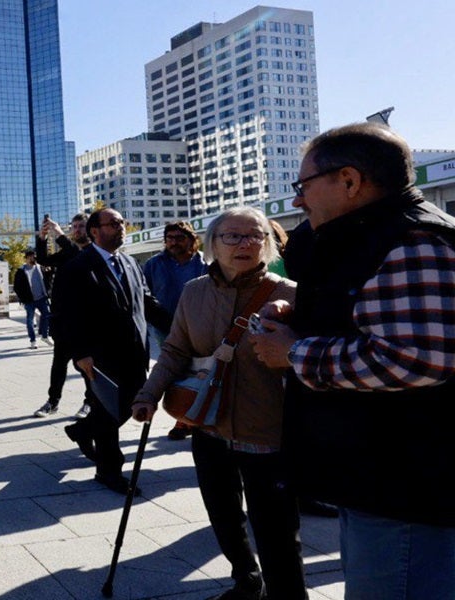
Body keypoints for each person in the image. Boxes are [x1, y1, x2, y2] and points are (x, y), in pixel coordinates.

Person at [251, 123, 455, 599]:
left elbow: (416, 360)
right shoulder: (371, 235)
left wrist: (293, 352)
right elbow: (366, 314)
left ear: (349, 180)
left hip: (406, 489)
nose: (298, 201)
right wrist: (301, 313)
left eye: (303, 186)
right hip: (374, 476)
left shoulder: (411, 241)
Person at [132, 207, 304, 600]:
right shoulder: (194, 292)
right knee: (224, 517)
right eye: (232, 236)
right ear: (211, 244)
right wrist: (148, 395)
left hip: (268, 432)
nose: (245, 244)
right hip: (207, 425)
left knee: (277, 534)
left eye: (255, 236)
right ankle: (246, 580)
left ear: (269, 244)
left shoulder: (291, 294)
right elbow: (175, 350)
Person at [58, 208, 170, 495]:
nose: (121, 228)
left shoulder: (130, 263)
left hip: (134, 351)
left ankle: (82, 430)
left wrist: (177, 326)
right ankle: (109, 471)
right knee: (108, 412)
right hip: (98, 356)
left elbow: (145, 302)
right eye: (113, 224)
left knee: (129, 403)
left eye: (122, 223)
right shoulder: (78, 266)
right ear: (95, 231)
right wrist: (80, 353)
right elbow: (67, 315)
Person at [141, 221, 208, 441]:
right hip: (165, 327)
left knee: (200, 369)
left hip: (199, 324)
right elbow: (144, 295)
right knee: (175, 369)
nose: (173, 242)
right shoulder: (153, 264)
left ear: (191, 239)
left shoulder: (205, 264)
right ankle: (182, 417)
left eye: (179, 238)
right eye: (169, 238)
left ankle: (199, 411)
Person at [32, 212, 88, 417]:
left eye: (81, 226)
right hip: (62, 318)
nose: (77, 230)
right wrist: (43, 237)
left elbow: (77, 253)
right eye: (74, 227)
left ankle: (90, 401)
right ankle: (53, 401)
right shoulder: (68, 252)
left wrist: (59, 234)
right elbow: (43, 258)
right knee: (58, 364)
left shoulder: (91, 252)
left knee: (85, 365)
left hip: (83, 321)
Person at [13, 250, 52, 349]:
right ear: (26, 258)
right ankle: (33, 340)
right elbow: (16, 287)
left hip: (42, 298)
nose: (32, 258)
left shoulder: (40, 268)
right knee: (30, 320)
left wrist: (49, 271)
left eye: (33, 257)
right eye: (30, 257)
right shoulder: (21, 271)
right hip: (29, 300)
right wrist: (23, 298)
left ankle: (45, 336)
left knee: (46, 315)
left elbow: (48, 279)